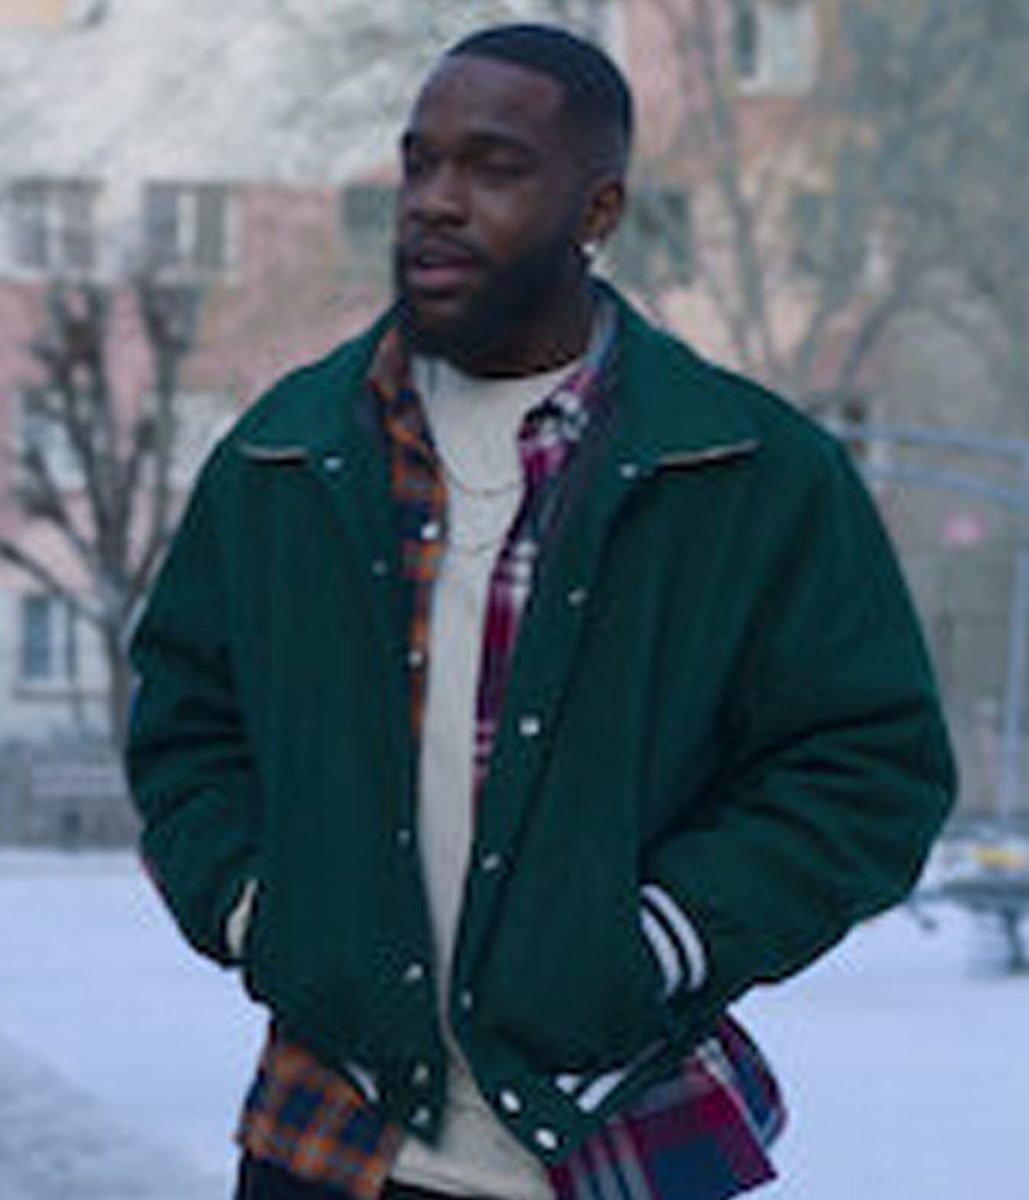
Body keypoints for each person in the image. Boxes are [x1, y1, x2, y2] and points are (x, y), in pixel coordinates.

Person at [125, 23, 955, 1200]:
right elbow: (185, 722)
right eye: (420, 162)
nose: (436, 201)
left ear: (598, 208)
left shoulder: (752, 471)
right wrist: (260, 912)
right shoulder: (286, 453)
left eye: (495, 167)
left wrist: (665, 939)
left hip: (625, 1134)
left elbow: (869, 770)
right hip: (328, 1132)